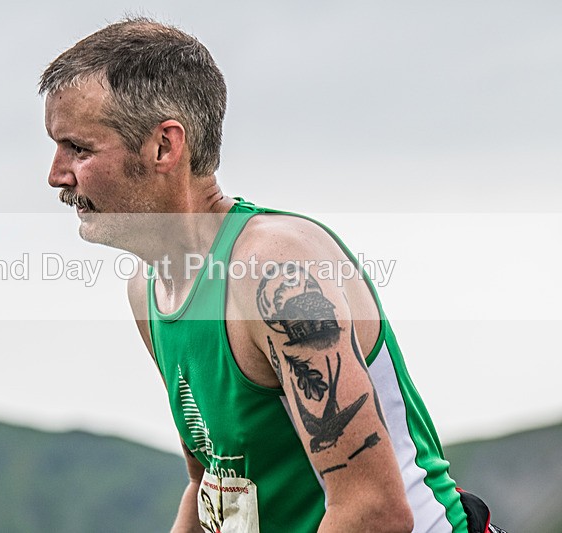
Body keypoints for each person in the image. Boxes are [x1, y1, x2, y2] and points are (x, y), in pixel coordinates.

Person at [39, 17, 504, 533]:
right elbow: (210, 481)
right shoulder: (149, 288)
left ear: (165, 147)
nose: (56, 175)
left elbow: (373, 511)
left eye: (78, 149)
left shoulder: (274, 272)